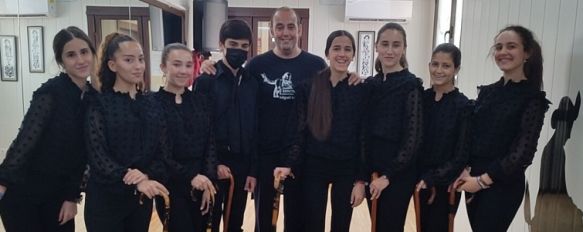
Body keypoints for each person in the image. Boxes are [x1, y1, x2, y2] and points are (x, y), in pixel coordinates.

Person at [454, 25, 549, 232]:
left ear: (527, 53)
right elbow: (472, 136)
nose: (502, 52)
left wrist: (481, 182)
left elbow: (522, 153)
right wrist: (466, 169)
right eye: (498, 47)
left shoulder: (532, 99)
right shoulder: (488, 93)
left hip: (501, 184)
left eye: (511, 46)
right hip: (472, 180)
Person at [0, 26, 94, 232]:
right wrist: (3, 181)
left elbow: (83, 155)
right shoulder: (50, 93)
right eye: (71, 55)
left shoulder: (93, 98)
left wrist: (72, 197)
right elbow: (25, 141)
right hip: (23, 193)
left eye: (84, 52)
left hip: (59, 195)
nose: (80, 60)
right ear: (61, 62)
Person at [84, 32, 169, 232]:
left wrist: (146, 174)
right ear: (112, 65)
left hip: (141, 199)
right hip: (106, 199)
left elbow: (161, 149)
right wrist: (133, 179)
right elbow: (97, 155)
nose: (138, 66)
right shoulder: (98, 103)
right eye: (129, 60)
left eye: (141, 59)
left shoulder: (152, 103)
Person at [287, 30, 367, 232]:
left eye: (347, 49)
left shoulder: (360, 89)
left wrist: (360, 180)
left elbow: (362, 136)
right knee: (313, 223)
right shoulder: (308, 87)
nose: (342, 54)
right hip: (314, 166)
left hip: (346, 167)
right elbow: (299, 131)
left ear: (353, 55)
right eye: (336, 48)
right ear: (327, 53)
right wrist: (290, 163)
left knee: (341, 224)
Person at [194, 19, 257, 232]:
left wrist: (252, 170)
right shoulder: (206, 80)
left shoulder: (252, 82)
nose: (238, 50)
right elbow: (201, 128)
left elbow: (255, 128)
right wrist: (214, 164)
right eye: (233, 44)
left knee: (235, 223)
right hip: (214, 163)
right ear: (221, 45)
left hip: (242, 165)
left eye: (244, 46)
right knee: (207, 222)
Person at [365, 22, 423, 232]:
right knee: (377, 225)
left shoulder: (410, 85)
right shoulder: (371, 84)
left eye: (396, 45)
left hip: (398, 173)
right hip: (373, 169)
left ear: (404, 48)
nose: (390, 50)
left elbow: (413, 138)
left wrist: (388, 176)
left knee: (390, 226)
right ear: (376, 47)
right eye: (385, 44)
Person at [154, 43, 217, 232]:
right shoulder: (151, 104)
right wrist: (191, 176)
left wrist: (208, 181)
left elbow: (210, 144)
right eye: (177, 64)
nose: (183, 70)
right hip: (170, 185)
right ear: (164, 67)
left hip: (201, 183)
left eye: (188, 65)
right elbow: (159, 152)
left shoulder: (201, 101)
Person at [414, 43, 470, 231]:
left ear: (457, 69)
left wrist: (432, 177)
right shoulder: (421, 98)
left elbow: (461, 154)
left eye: (446, 66)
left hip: (445, 183)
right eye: (435, 64)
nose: (438, 70)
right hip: (418, 179)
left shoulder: (464, 106)